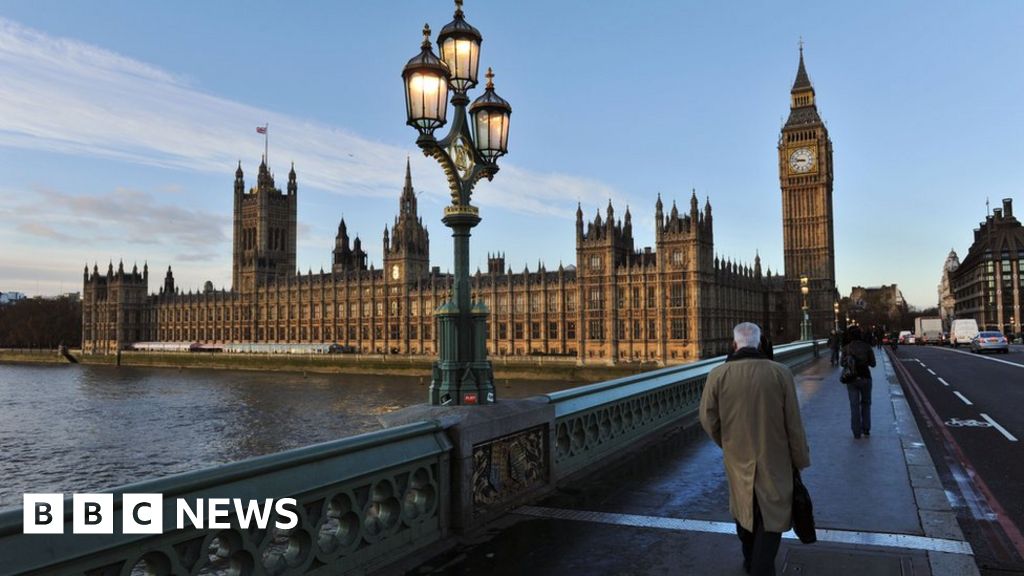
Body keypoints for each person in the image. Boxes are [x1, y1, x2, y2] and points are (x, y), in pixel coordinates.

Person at [700, 322, 811, 576]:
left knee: (744, 511)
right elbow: (793, 422)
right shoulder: (780, 373)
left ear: (734, 344)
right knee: (772, 517)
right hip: (776, 458)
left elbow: (708, 419)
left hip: (737, 458)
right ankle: (760, 567)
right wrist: (799, 459)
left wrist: (726, 442)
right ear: (761, 344)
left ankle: (751, 560)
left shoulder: (718, 374)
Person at [841, 325, 876, 439]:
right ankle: (866, 429)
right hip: (865, 377)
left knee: (854, 406)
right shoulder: (867, 347)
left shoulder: (846, 348)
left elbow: (842, 363)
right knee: (866, 404)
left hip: (851, 379)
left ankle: (856, 432)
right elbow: (873, 364)